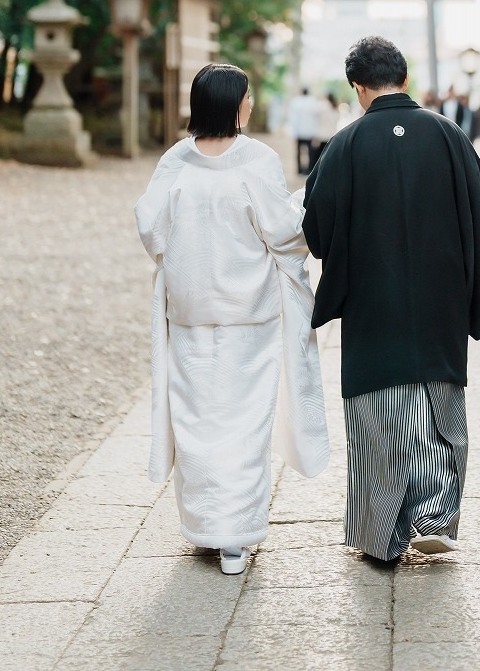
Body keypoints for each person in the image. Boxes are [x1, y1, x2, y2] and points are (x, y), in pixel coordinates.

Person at [302, 36, 480, 564]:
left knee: (378, 415)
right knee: (440, 405)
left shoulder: (344, 145)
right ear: (405, 78)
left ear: (357, 86)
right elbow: (479, 215)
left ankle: (382, 535)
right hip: (441, 296)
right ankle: (435, 516)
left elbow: (317, 229)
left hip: (372, 299)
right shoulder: (449, 135)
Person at [134, 63, 329, 576]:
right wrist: (302, 205)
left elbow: (151, 229)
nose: (252, 103)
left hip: (191, 312)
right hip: (250, 315)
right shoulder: (256, 159)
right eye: (247, 96)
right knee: (244, 423)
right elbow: (283, 232)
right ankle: (234, 537)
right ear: (232, 104)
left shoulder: (176, 160)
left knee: (196, 421)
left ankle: (206, 526)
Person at [287, 85, 321, 174]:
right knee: (310, 151)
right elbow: (317, 117)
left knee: (298, 151)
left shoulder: (296, 101)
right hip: (310, 131)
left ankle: (299, 169)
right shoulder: (313, 101)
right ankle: (309, 169)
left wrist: (293, 132)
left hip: (299, 131)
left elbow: (293, 118)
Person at [311, 91, 341, 167]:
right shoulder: (336, 109)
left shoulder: (324, 106)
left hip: (322, 135)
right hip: (331, 135)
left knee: (317, 156)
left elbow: (314, 113)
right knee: (326, 157)